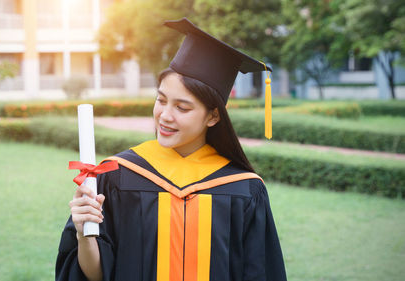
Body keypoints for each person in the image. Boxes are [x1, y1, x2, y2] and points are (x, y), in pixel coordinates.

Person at [56, 18, 287, 281]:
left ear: (213, 116)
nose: (165, 116)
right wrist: (83, 235)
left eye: (182, 107)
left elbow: (261, 273)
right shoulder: (117, 177)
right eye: (161, 100)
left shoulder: (243, 189)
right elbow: (96, 276)